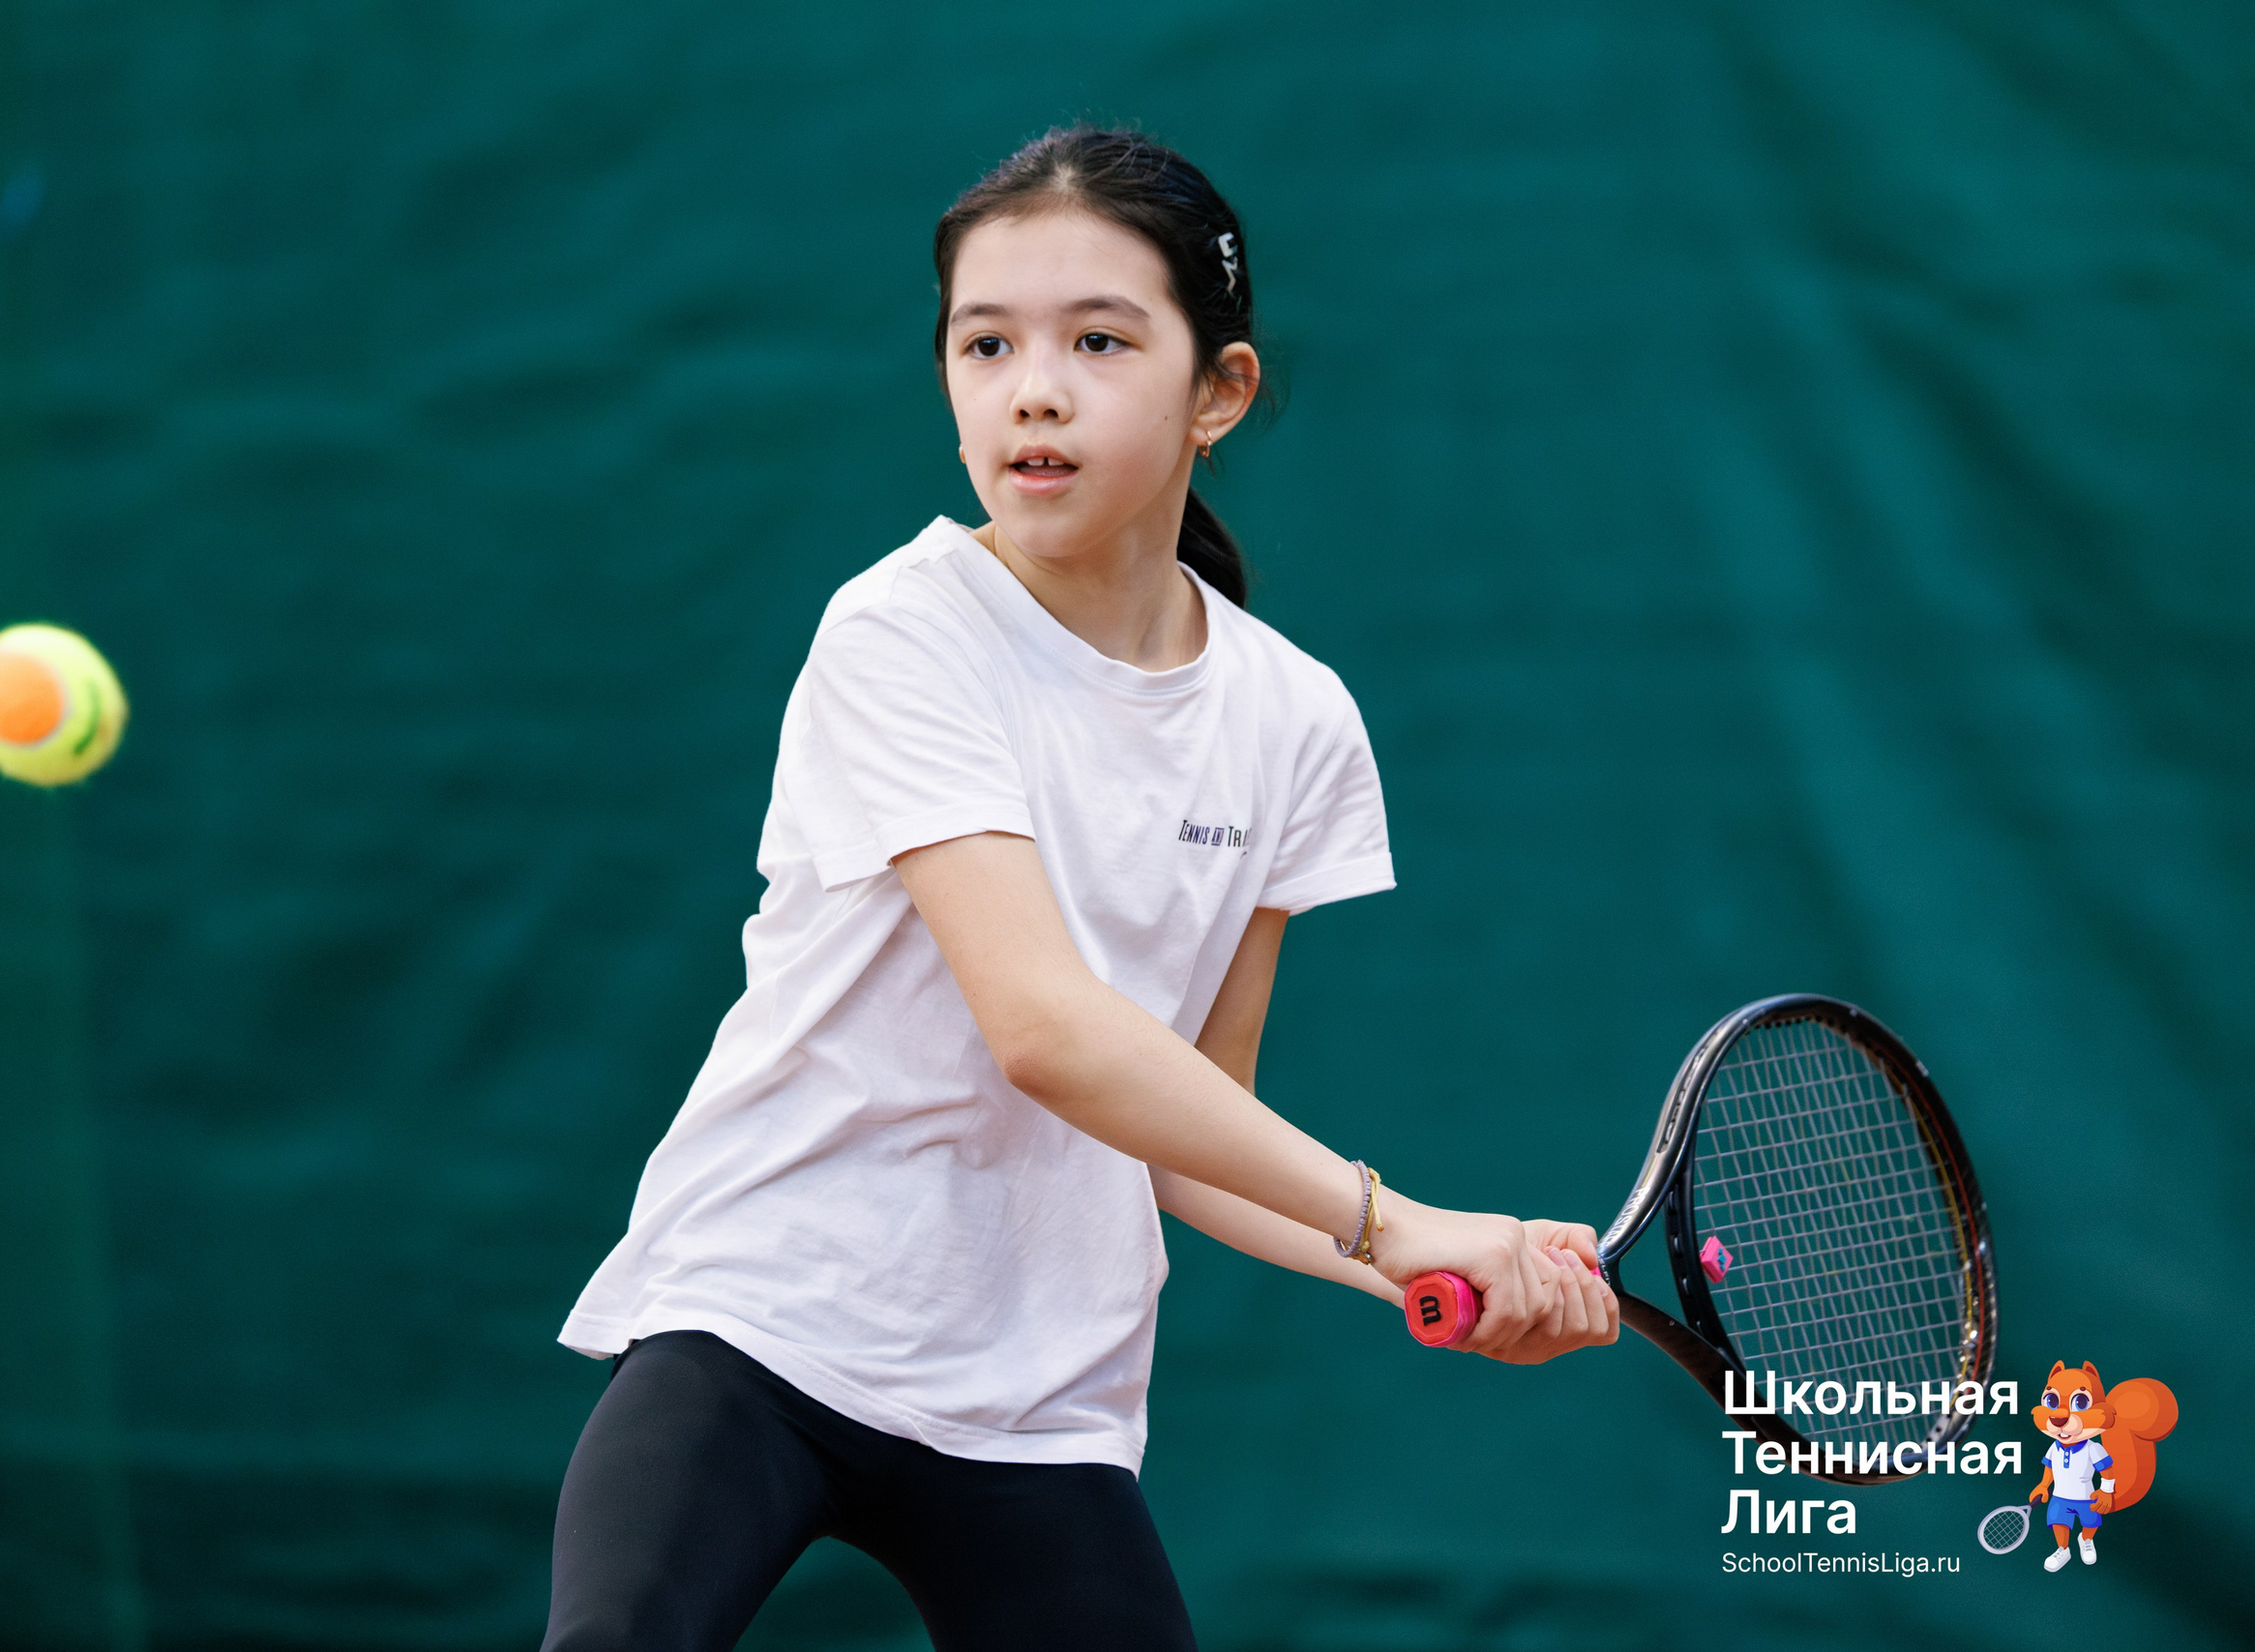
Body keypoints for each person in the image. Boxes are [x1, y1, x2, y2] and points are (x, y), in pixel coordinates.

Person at [542, 125, 1618, 1652]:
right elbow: (1045, 1031)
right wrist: (1401, 1221)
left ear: (1217, 394)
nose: (1033, 387)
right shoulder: (899, 633)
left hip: (1040, 1404)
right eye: (987, 344)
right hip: (763, 1324)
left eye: (1099, 340)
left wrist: (1433, 1271)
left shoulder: (1294, 720)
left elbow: (1190, 1126)